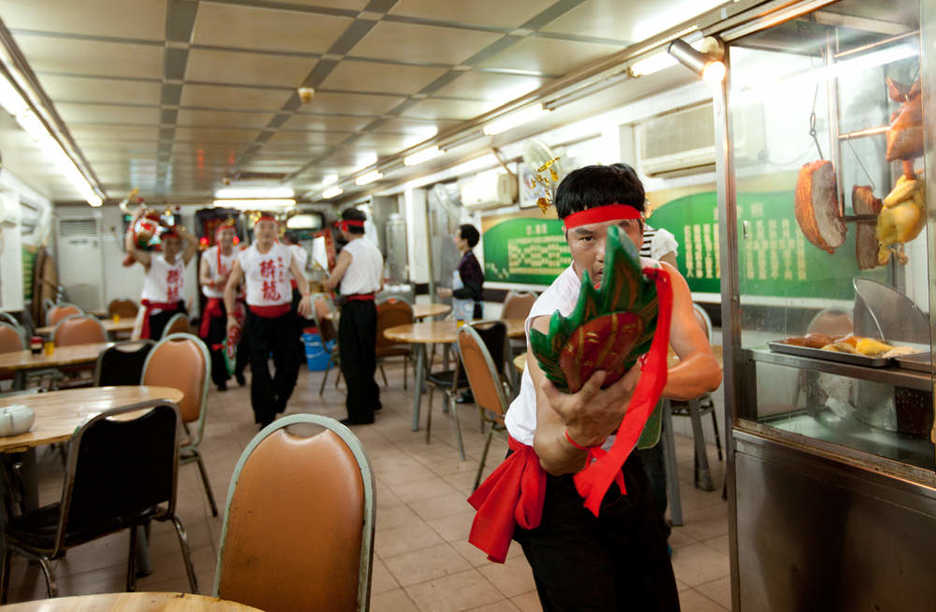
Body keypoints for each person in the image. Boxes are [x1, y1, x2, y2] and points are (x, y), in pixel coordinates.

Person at [468, 164, 722, 611]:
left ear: (642, 225)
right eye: (587, 238)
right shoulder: (553, 319)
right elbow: (552, 449)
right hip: (553, 486)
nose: (604, 252)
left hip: (622, 464)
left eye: (620, 229)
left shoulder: (663, 283)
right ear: (567, 241)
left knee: (655, 599)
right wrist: (583, 430)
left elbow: (705, 368)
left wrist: (638, 385)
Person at [224, 215, 311, 428]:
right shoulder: (245, 256)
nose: (266, 232)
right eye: (262, 227)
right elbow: (230, 287)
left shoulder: (286, 252)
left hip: (284, 317)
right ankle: (266, 416)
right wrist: (230, 317)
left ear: (277, 231)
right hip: (257, 319)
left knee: (290, 364)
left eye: (271, 227)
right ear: (255, 230)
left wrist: (306, 295)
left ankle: (279, 399)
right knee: (259, 368)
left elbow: (299, 277)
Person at [322, 208, 384, 426]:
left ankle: (360, 413)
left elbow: (332, 281)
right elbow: (381, 283)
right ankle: (372, 401)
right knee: (367, 357)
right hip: (370, 307)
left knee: (351, 361)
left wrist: (325, 279)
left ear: (345, 227)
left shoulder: (348, 251)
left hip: (353, 309)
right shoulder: (374, 250)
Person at [125, 210, 197, 340]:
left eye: (176, 244)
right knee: (155, 346)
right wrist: (134, 220)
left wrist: (169, 226)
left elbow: (194, 242)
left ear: (180, 246)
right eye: (168, 243)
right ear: (161, 244)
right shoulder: (152, 261)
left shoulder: (181, 261)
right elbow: (131, 249)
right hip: (157, 312)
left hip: (176, 310)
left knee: (178, 345)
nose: (172, 247)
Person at [199, 219, 239, 391]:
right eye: (224, 233)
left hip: (237, 302)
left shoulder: (240, 254)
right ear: (217, 237)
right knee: (216, 342)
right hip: (216, 303)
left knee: (240, 340)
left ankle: (238, 370)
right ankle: (220, 378)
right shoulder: (208, 255)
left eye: (230, 233)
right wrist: (215, 281)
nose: (227, 237)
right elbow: (203, 279)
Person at [281, 230, 310, 394]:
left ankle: (293, 361)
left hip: (291, 291)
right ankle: (301, 358)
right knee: (299, 328)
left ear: (285, 239)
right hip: (300, 292)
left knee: (290, 331)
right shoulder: (302, 251)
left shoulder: (287, 251)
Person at [437, 224, 484, 320]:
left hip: (471, 312)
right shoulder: (466, 259)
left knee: (468, 335)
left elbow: (472, 290)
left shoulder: (470, 262)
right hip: (464, 310)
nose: (455, 240)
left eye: (457, 237)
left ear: (465, 241)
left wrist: (450, 292)